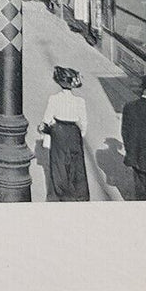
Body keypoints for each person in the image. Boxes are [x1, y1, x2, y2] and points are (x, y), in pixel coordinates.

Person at [40, 66, 90, 201]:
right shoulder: (80, 101)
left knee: (59, 163)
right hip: (74, 132)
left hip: (59, 131)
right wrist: (81, 134)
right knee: (76, 163)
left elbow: (47, 119)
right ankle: (78, 194)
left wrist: (43, 130)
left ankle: (60, 194)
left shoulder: (54, 98)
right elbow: (84, 122)